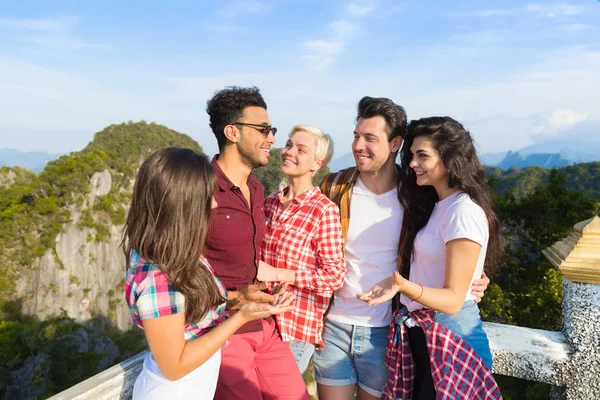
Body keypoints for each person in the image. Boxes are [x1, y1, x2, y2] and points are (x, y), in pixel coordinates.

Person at [313, 97, 491, 400]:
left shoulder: (417, 195)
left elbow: (456, 245)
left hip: (389, 330)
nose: (358, 145)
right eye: (356, 136)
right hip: (335, 324)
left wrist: (474, 277)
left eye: (370, 138)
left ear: (395, 143)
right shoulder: (334, 187)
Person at [123, 147, 295, 399]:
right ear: (183, 204)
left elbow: (192, 313)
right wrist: (239, 318)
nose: (214, 203)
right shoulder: (158, 279)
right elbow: (174, 366)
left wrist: (241, 298)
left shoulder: (182, 254)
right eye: (207, 196)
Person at [358, 116, 503, 399]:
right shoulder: (440, 205)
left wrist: (401, 286)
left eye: (422, 156)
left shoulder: (463, 211)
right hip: (428, 334)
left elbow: (452, 300)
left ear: (450, 158)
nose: (412, 164)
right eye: (412, 155)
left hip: (453, 339)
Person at [204, 86, 310, 400]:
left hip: (263, 324)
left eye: (271, 129)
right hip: (223, 332)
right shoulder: (202, 188)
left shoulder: (256, 188)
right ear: (232, 132)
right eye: (263, 130)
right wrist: (236, 298)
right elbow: (180, 271)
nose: (272, 138)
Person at [257, 125, 346, 374]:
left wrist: (278, 274)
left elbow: (334, 275)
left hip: (294, 328)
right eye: (288, 145)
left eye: (300, 149)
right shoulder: (270, 203)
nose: (288, 152)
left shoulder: (323, 210)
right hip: (260, 318)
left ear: (317, 163)